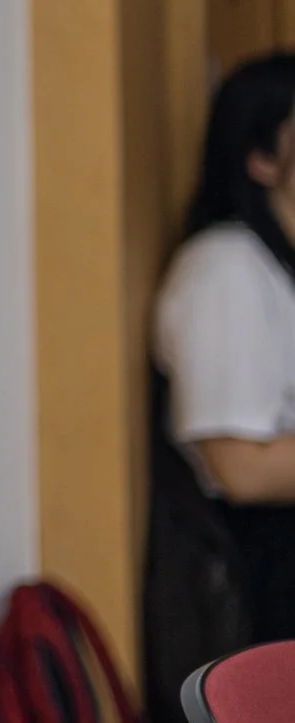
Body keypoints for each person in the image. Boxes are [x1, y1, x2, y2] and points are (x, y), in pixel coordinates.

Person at [146, 52, 295, 711]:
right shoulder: (223, 270)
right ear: (261, 157)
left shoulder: (276, 265)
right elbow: (241, 469)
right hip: (260, 574)